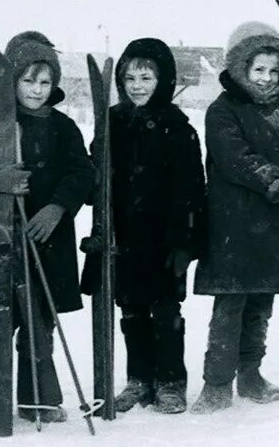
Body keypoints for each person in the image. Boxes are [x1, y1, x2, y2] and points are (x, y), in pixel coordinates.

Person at [0, 31, 95, 427]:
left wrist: (57, 207)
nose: (37, 89)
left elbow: (83, 173)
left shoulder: (64, 128)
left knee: (40, 320)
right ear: (11, 82)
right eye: (28, 80)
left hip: (46, 239)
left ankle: (37, 398)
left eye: (45, 81)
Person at [190, 21, 279, 414]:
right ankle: (216, 383)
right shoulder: (222, 111)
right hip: (233, 225)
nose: (266, 79)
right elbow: (236, 161)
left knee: (261, 303)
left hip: (274, 225)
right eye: (258, 70)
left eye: (274, 71)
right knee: (231, 305)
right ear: (240, 69)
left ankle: (250, 374)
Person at [79, 38, 205, 414]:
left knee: (166, 310)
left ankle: (170, 381)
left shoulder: (178, 128)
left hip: (164, 237)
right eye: (130, 77)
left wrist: (184, 242)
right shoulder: (112, 122)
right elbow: (95, 181)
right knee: (130, 308)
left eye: (146, 76)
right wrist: (96, 169)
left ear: (162, 79)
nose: (137, 85)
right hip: (122, 236)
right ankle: (139, 379)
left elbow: (191, 190)